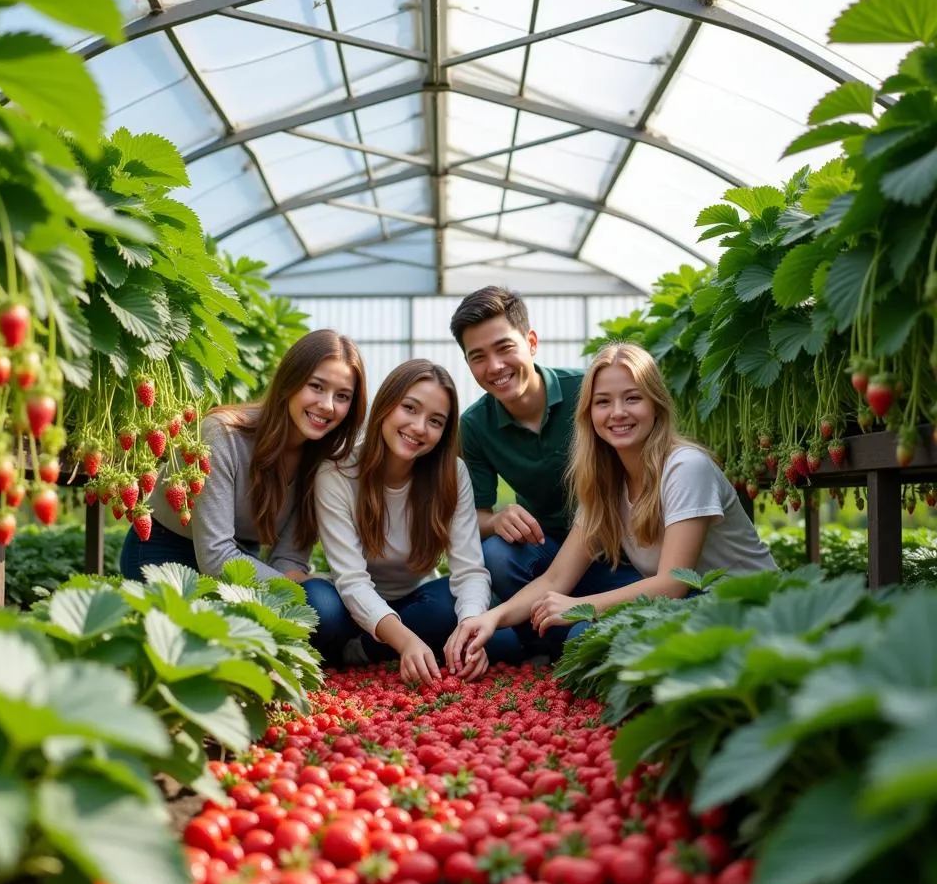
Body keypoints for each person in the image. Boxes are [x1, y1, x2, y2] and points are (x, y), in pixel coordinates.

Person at [444, 342, 778, 671]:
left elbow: (673, 583)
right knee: (583, 633)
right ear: (589, 414)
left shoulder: (685, 467)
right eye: (603, 402)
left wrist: (580, 605)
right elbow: (556, 578)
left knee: (584, 633)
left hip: (745, 605)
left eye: (632, 398)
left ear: (656, 405)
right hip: (686, 606)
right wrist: (491, 617)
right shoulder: (606, 483)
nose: (617, 412)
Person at [449, 287, 641, 654]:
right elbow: (473, 516)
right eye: (478, 357)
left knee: (634, 601)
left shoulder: (586, 393)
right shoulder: (474, 426)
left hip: (620, 553)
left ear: (531, 342)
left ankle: (549, 631)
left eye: (504, 347)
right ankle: (559, 629)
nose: (495, 367)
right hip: (549, 556)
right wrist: (497, 520)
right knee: (498, 554)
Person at [310, 359, 522, 684]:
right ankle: (392, 644)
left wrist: (469, 627)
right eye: (410, 408)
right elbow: (351, 581)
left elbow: (469, 571)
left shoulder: (451, 473)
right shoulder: (337, 472)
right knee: (319, 608)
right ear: (386, 403)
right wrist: (406, 640)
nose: (420, 427)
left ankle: (363, 651)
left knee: (456, 610)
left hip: (416, 602)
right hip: (348, 604)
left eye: (435, 421)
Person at [119, 329, 366, 592]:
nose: (328, 405)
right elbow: (215, 556)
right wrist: (296, 589)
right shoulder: (222, 435)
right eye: (316, 386)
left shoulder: (323, 462)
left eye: (342, 396)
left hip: (240, 559)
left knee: (322, 602)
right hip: (164, 554)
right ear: (288, 382)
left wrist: (315, 588)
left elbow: (289, 558)